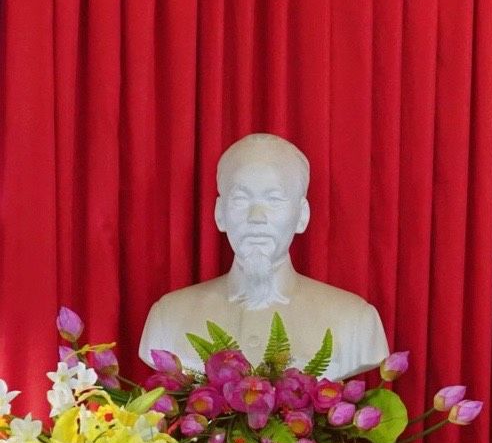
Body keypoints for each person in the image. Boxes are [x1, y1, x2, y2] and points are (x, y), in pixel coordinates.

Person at [139, 133, 389, 376]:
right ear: (220, 213)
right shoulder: (168, 317)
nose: (256, 217)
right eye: (240, 199)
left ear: (302, 215)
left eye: (274, 199)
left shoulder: (355, 320)